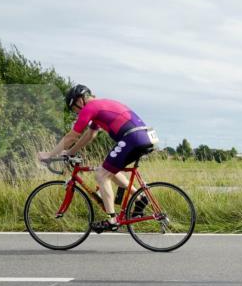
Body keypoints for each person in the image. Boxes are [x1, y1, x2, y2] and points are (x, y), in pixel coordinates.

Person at [39, 84, 158, 232]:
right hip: (143, 136)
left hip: (132, 137)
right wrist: (70, 152)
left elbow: (72, 136)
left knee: (101, 175)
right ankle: (140, 199)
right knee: (109, 170)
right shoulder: (99, 107)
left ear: (79, 100)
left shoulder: (90, 108)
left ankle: (112, 220)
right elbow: (90, 135)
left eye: (74, 108)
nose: (76, 113)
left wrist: (49, 155)